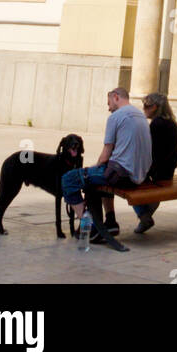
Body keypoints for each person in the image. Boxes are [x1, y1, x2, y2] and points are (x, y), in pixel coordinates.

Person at [61, 86, 151, 239]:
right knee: (99, 177)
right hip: (140, 176)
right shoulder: (140, 116)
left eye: (108, 102)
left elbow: (105, 155)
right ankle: (110, 222)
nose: (108, 107)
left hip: (122, 175)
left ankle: (90, 226)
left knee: (69, 178)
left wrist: (92, 168)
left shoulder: (116, 117)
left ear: (116, 97)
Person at [131, 93, 177, 235]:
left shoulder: (156, 124)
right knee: (154, 193)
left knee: (127, 181)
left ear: (155, 107)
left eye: (146, 106)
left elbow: (150, 152)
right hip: (168, 172)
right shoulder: (173, 124)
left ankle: (144, 216)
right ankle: (145, 218)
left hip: (157, 173)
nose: (144, 109)